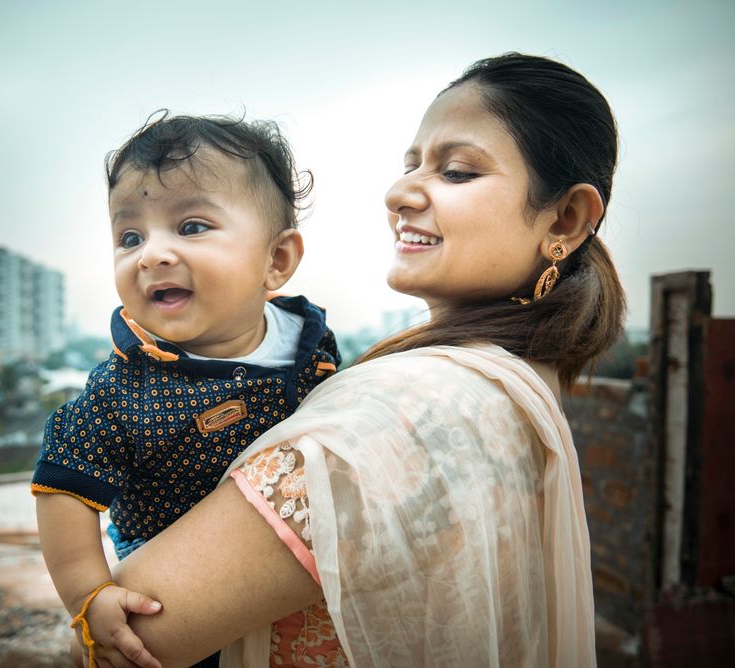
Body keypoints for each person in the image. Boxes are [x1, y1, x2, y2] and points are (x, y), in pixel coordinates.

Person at [87, 52, 625, 667]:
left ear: (565, 217)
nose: (398, 194)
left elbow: (126, 634)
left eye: (455, 172)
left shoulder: (408, 405)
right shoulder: (513, 381)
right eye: (409, 166)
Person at [32, 113, 340, 668]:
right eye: (130, 237)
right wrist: (88, 593)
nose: (151, 254)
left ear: (276, 260)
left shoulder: (310, 343)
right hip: (177, 593)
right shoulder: (125, 388)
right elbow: (63, 483)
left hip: (291, 579)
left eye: (191, 226)